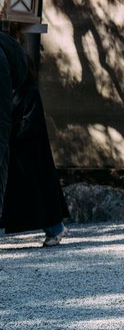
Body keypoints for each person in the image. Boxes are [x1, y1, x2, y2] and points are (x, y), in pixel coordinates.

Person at [0, 31, 69, 247]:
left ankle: (54, 227)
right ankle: (53, 226)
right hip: (13, 103)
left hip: (21, 107)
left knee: (34, 170)